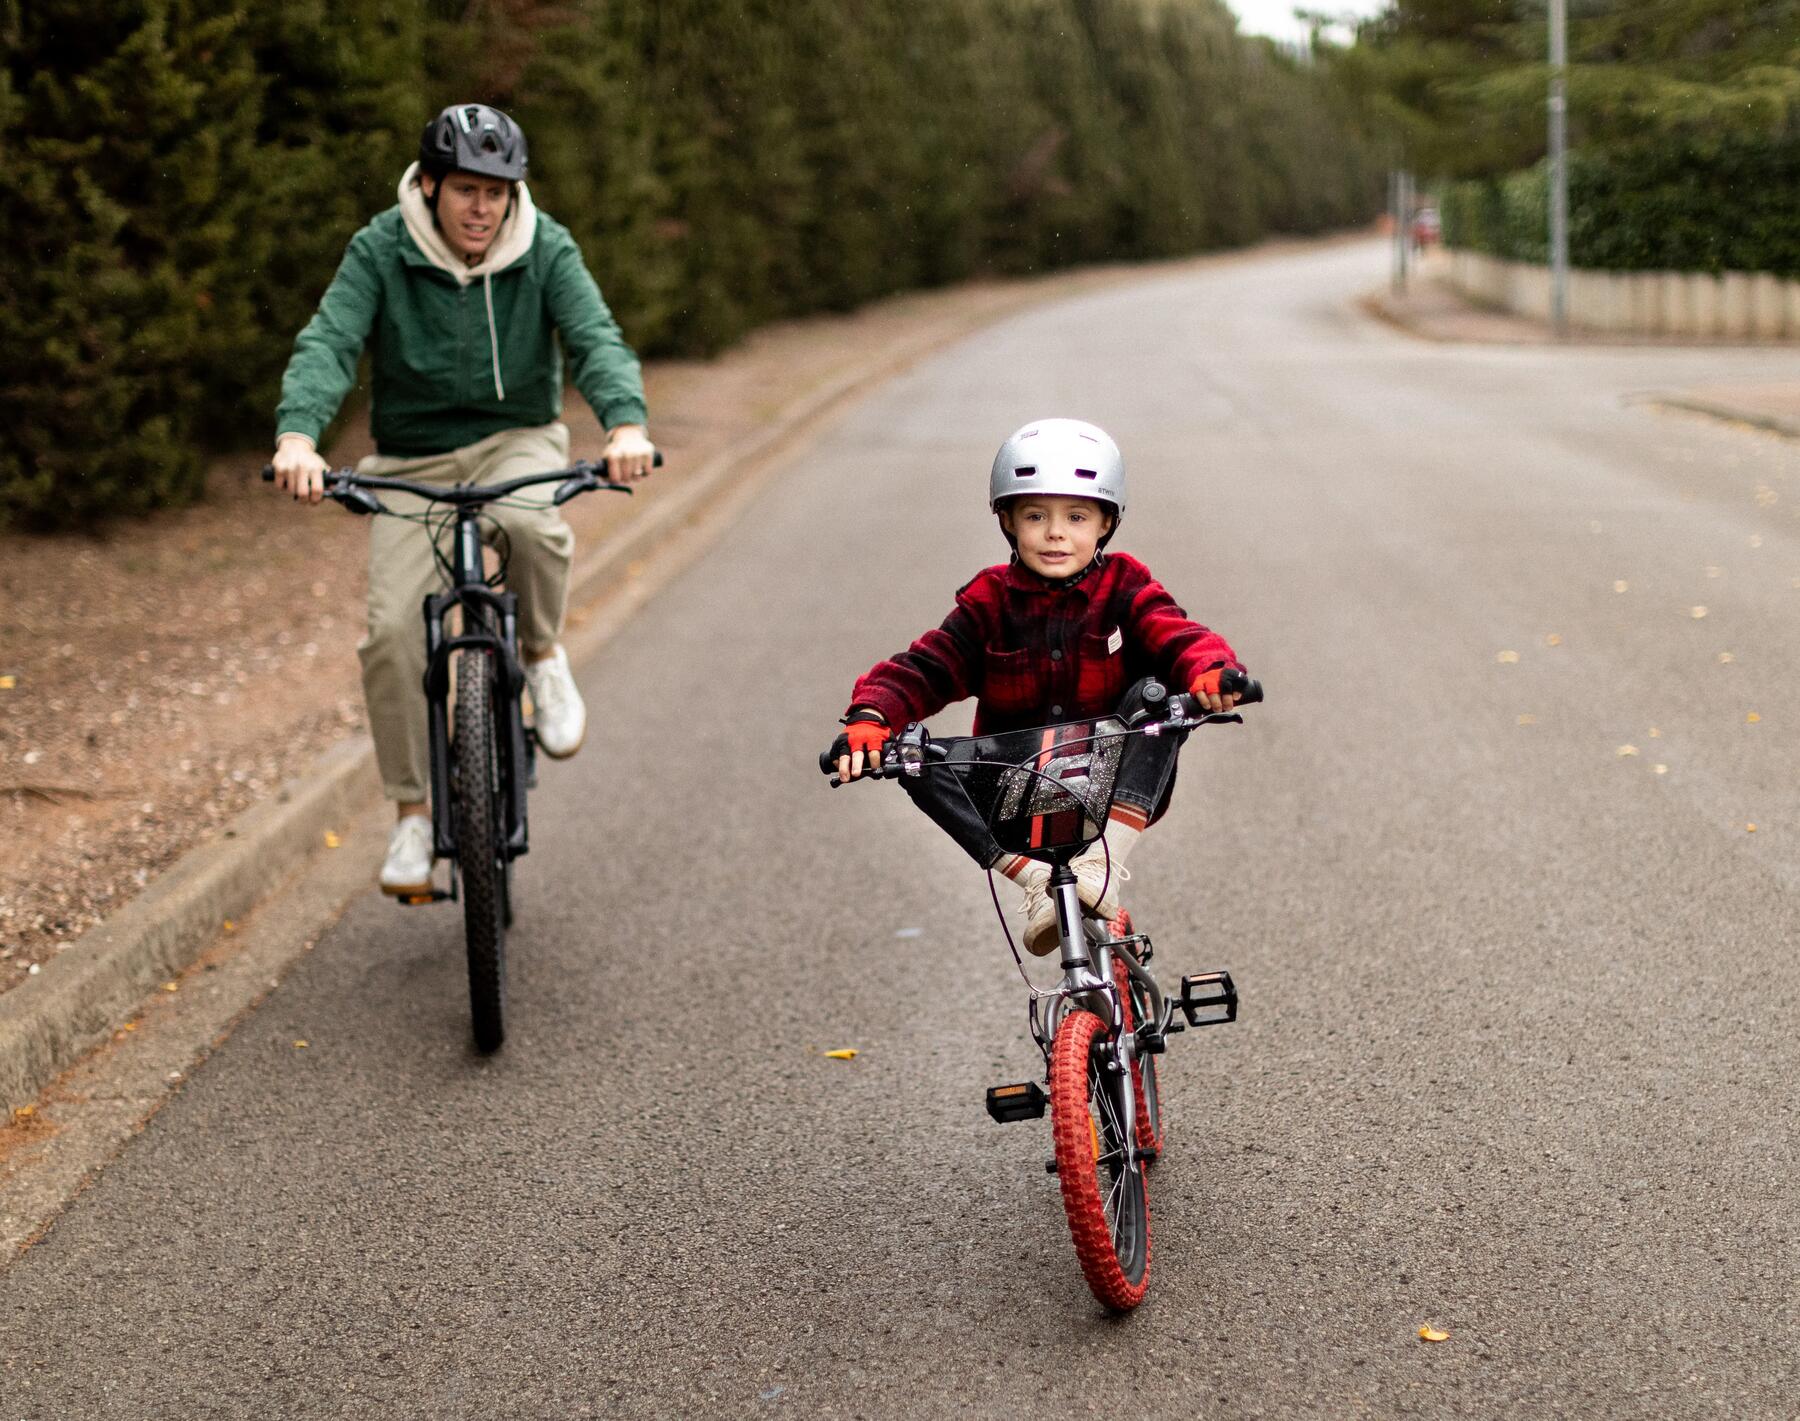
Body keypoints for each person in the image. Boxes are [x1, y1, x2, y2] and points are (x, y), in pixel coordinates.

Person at [270, 103, 654, 896]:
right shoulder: (381, 247)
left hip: (517, 439)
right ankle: (413, 815)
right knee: (389, 635)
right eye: (467, 190)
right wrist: (298, 438)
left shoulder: (543, 245)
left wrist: (625, 423)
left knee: (528, 524)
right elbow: (331, 340)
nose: (484, 208)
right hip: (410, 458)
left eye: (498, 192)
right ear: (433, 185)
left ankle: (543, 656)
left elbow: (595, 335)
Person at [829, 418, 1244, 955]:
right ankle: (1033, 881)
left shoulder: (1126, 586)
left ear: (1106, 525)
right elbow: (925, 666)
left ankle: (1103, 865)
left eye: (1076, 516)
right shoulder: (987, 604)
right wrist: (872, 715)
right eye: (1034, 516)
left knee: (1157, 698)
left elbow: (1177, 635)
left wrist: (1209, 670)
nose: (1055, 532)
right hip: (1015, 787)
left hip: (1114, 781)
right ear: (1007, 521)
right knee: (911, 756)